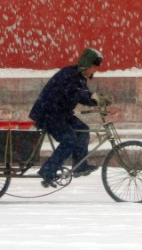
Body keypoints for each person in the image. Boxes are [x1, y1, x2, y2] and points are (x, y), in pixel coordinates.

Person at [29, 47, 112, 187]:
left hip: (62, 113)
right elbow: (73, 92)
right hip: (48, 113)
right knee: (69, 140)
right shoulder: (68, 74)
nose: (95, 70)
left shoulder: (80, 78)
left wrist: (98, 100)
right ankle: (48, 171)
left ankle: (80, 166)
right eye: (94, 67)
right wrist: (92, 96)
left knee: (83, 130)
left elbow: (84, 96)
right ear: (87, 64)